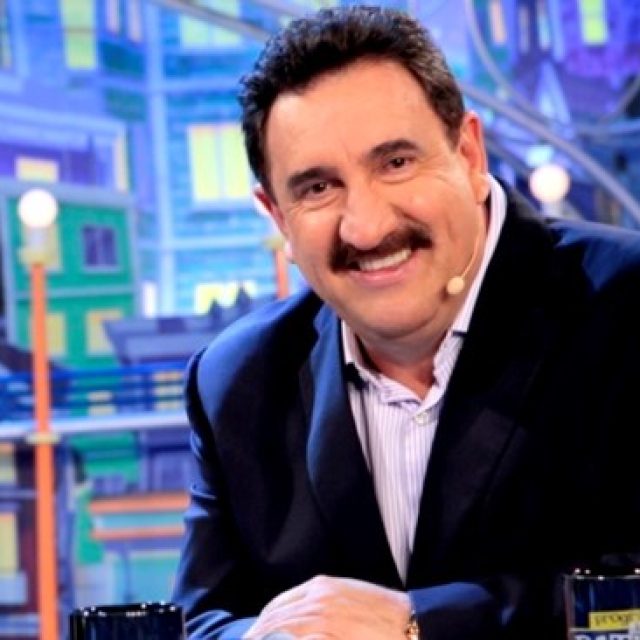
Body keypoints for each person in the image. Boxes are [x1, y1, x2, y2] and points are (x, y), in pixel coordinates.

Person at [172, 6, 640, 639]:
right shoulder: (237, 381)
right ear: (277, 216)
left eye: (395, 163)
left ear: (468, 154)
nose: (367, 227)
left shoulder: (625, 306)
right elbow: (202, 624)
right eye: (317, 188)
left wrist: (420, 623)